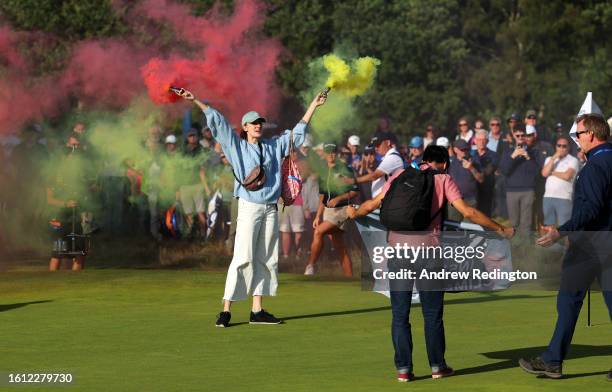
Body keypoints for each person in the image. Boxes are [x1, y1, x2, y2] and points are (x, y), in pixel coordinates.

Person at [347, 145, 515, 382]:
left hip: (398, 251)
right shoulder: (444, 179)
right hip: (429, 254)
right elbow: (467, 212)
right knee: (432, 314)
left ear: (423, 160)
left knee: (399, 315)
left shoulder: (399, 175)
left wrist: (354, 213)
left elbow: (373, 204)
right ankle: (438, 366)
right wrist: (500, 228)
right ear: (445, 163)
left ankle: (403, 369)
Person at [175, 88, 327, 327]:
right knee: (243, 257)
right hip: (248, 207)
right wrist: (195, 101)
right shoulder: (235, 146)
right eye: (253, 123)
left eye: (260, 122)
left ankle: (257, 310)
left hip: (270, 208)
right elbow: (219, 123)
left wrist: (313, 106)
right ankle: (226, 310)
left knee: (267, 258)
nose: (258, 125)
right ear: (245, 127)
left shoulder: (273, 145)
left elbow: (295, 135)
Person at [520, 113, 612, 380]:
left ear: (592, 135)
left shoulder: (595, 166)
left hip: (590, 244)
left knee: (569, 301)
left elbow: (591, 210)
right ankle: (552, 360)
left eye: (579, 135)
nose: (577, 140)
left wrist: (561, 231)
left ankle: (552, 361)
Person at [304, 144, 359, 276]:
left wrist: (338, 198)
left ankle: (310, 267)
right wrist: (318, 216)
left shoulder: (345, 169)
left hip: (342, 209)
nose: (331, 155)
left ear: (337, 153)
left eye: (333, 152)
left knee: (318, 232)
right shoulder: (324, 172)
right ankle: (349, 279)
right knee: (340, 248)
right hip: (328, 211)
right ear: (324, 153)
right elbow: (323, 196)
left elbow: (354, 192)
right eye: (328, 152)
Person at [498, 126, 545, 235]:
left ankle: (525, 249)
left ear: (526, 136)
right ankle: (515, 248)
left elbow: (536, 172)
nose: (520, 137)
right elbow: (504, 171)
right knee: (514, 222)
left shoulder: (533, 152)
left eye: (522, 135)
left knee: (526, 223)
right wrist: (513, 156)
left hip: (528, 191)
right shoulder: (507, 151)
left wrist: (527, 157)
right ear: (513, 135)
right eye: (517, 135)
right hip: (511, 191)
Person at [540, 136, 579, 227]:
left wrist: (552, 172)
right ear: (556, 146)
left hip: (564, 197)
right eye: (559, 145)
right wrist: (553, 158)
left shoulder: (573, 160)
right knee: (549, 226)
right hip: (548, 197)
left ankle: (567, 242)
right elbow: (544, 174)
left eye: (564, 146)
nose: (561, 148)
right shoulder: (549, 159)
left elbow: (567, 176)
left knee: (564, 227)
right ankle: (553, 242)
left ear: (568, 147)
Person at [448, 139, 483, 221]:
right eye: (462, 149)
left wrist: (471, 168)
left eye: (466, 149)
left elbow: (481, 179)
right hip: (455, 200)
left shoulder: (474, 160)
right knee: (454, 227)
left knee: (469, 228)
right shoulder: (450, 162)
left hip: (470, 200)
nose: (464, 151)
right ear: (455, 149)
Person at [474, 130, 499, 217]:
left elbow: (488, 171)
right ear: (475, 140)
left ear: (487, 141)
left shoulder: (494, 155)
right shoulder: (471, 154)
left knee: (485, 217)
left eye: (484, 140)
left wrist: (473, 169)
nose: (481, 142)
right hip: (472, 191)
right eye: (479, 139)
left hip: (486, 191)